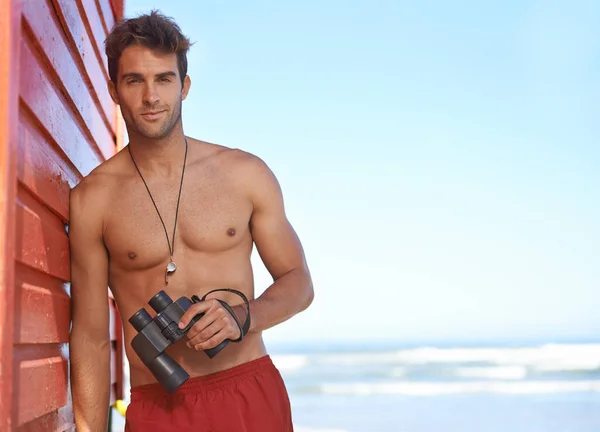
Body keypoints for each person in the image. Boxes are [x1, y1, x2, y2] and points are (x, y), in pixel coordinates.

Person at [68, 10, 314, 432]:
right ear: (114, 90)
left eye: (163, 79)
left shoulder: (244, 174)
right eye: (134, 81)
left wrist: (242, 317)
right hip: (158, 405)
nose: (151, 97)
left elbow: (298, 282)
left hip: (248, 391)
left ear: (184, 86)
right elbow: (89, 336)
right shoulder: (93, 200)